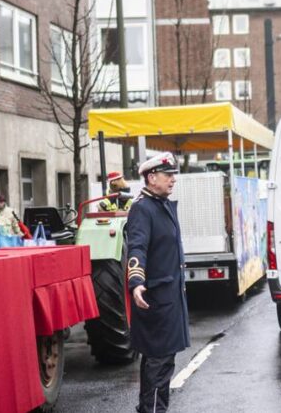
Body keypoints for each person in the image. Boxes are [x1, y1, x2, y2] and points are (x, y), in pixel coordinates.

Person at [126, 152, 190, 413]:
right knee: (158, 364)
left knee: (161, 362)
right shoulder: (143, 208)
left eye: (173, 175)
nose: (172, 180)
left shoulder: (161, 204)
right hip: (157, 300)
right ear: (152, 178)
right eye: (168, 175)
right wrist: (136, 280)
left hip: (169, 298)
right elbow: (137, 247)